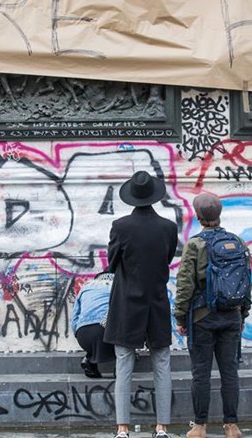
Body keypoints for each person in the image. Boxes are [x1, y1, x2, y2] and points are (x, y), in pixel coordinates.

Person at [104, 170, 178, 438]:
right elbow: (167, 259)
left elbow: (112, 263)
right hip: (156, 300)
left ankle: (123, 429)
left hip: (126, 302)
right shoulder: (169, 227)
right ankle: (162, 428)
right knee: (162, 361)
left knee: (123, 362)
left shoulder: (120, 226)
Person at [174, 193, 250, 438]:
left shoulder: (195, 244)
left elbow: (185, 284)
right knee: (230, 372)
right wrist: (243, 314)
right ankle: (232, 426)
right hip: (231, 317)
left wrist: (180, 317)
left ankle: (200, 426)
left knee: (201, 373)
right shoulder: (236, 241)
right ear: (219, 215)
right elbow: (245, 281)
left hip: (202, 319)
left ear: (198, 217)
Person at [71, 271, 116, 379]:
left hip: (83, 335)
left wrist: (78, 333)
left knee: (95, 341)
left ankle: (90, 359)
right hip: (107, 332)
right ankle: (121, 366)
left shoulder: (86, 287)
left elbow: (74, 317)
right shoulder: (118, 285)